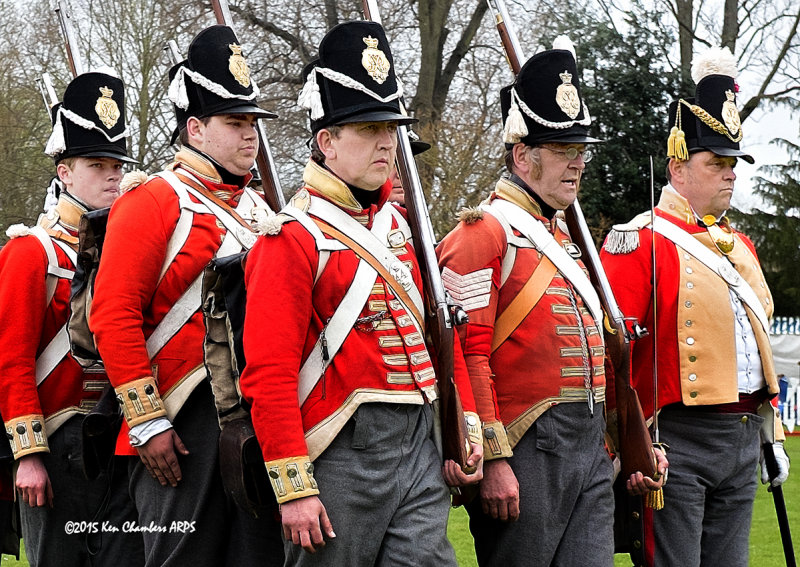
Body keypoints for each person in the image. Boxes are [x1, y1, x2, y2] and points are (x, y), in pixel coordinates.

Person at [238, 20, 483, 566]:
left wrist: (463, 422)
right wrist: (294, 484)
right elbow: (269, 373)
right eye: (369, 128)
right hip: (341, 447)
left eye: (390, 128)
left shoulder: (402, 229)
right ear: (326, 141)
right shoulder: (291, 238)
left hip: (420, 441)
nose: (386, 141)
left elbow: (441, 330)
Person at [436, 38, 666, 567]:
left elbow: (602, 359)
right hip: (526, 449)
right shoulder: (485, 233)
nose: (578, 165)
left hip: (587, 445)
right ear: (523, 156)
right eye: (564, 153)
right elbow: (467, 356)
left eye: (580, 152)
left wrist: (629, 442)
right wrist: (493, 458)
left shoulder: (566, 241)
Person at [89, 25, 283, 566]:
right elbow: (113, 313)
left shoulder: (262, 212)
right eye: (235, 122)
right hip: (180, 418)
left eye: (252, 123)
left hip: (253, 416)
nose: (251, 136)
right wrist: (148, 420)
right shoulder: (154, 200)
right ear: (195, 128)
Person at [601, 46, 790, 567]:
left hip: (745, 434)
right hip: (676, 440)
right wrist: (631, 443)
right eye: (716, 163)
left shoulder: (741, 246)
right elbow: (612, 354)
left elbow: (755, 353)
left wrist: (771, 436)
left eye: (732, 164)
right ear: (679, 165)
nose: (729, 175)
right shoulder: (639, 240)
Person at [0, 70, 143, 566]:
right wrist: (29, 455)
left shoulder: (129, 252)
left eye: (117, 164)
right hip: (59, 443)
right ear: (63, 171)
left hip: (122, 442)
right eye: (97, 163)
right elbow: (12, 362)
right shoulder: (31, 252)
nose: (112, 176)